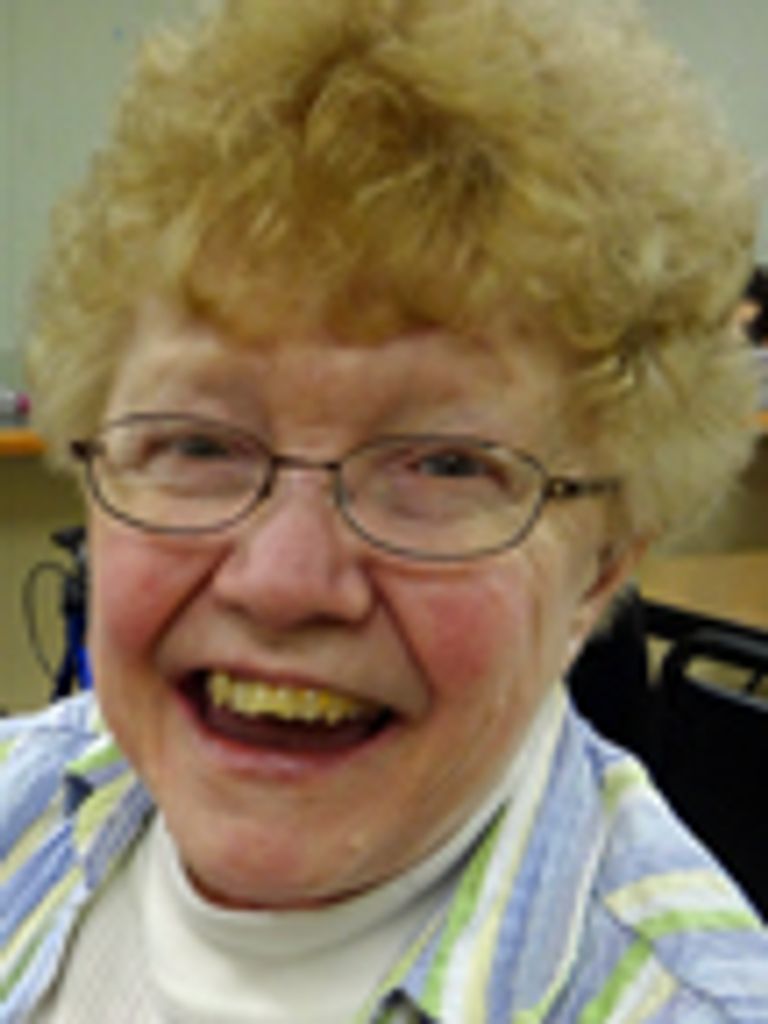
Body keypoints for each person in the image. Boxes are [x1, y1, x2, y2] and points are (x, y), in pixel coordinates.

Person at [3, 0, 768, 1019]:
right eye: (197, 443)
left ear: (603, 564)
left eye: (445, 466)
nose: (282, 582)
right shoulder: (24, 798)